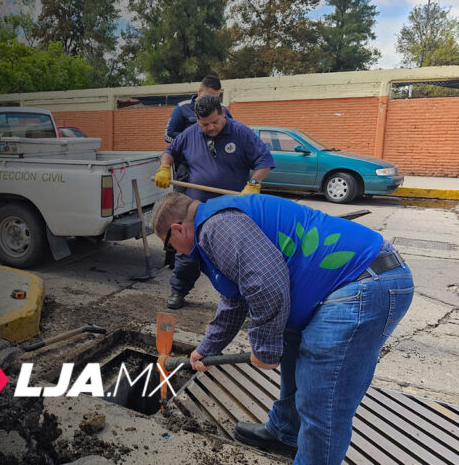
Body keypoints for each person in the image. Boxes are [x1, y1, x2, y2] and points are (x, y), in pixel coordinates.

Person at [151, 192, 413, 465]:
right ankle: (286, 432)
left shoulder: (216, 228)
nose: (176, 253)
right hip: (349, 283)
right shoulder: (216, 224)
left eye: (170, 246)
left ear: (178, 229)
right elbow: (235, 299)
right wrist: (207, 349)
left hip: (364, 281)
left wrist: (264, 347)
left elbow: (265, 282)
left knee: (323, 400)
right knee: (290, 345)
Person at [155, 94, 274, 309]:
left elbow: (264, 160)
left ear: (222, 114)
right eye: (205, 124)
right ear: (197, 121)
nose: (211, 127)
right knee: (188, 253)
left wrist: (254, 183)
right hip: (196, 209)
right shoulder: (190, 134)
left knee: (234, 257)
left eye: (215, 122)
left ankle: (241, 301)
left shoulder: (240, 132)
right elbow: (169, 151)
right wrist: (164, 167)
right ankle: (178, 291)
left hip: (231, 210)